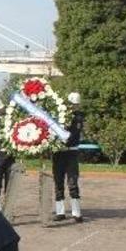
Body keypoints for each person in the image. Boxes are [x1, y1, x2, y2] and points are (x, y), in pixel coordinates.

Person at [52, 92, 84, 222]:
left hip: (71, 152)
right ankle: (60, 212)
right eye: (71, 104)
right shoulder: (58, 116)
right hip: (59, 152)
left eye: (75, 104)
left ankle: (76, 212)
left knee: (72, 181)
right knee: (58, 182)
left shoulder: (80, 117)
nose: (73, 106)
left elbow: (76, 133)